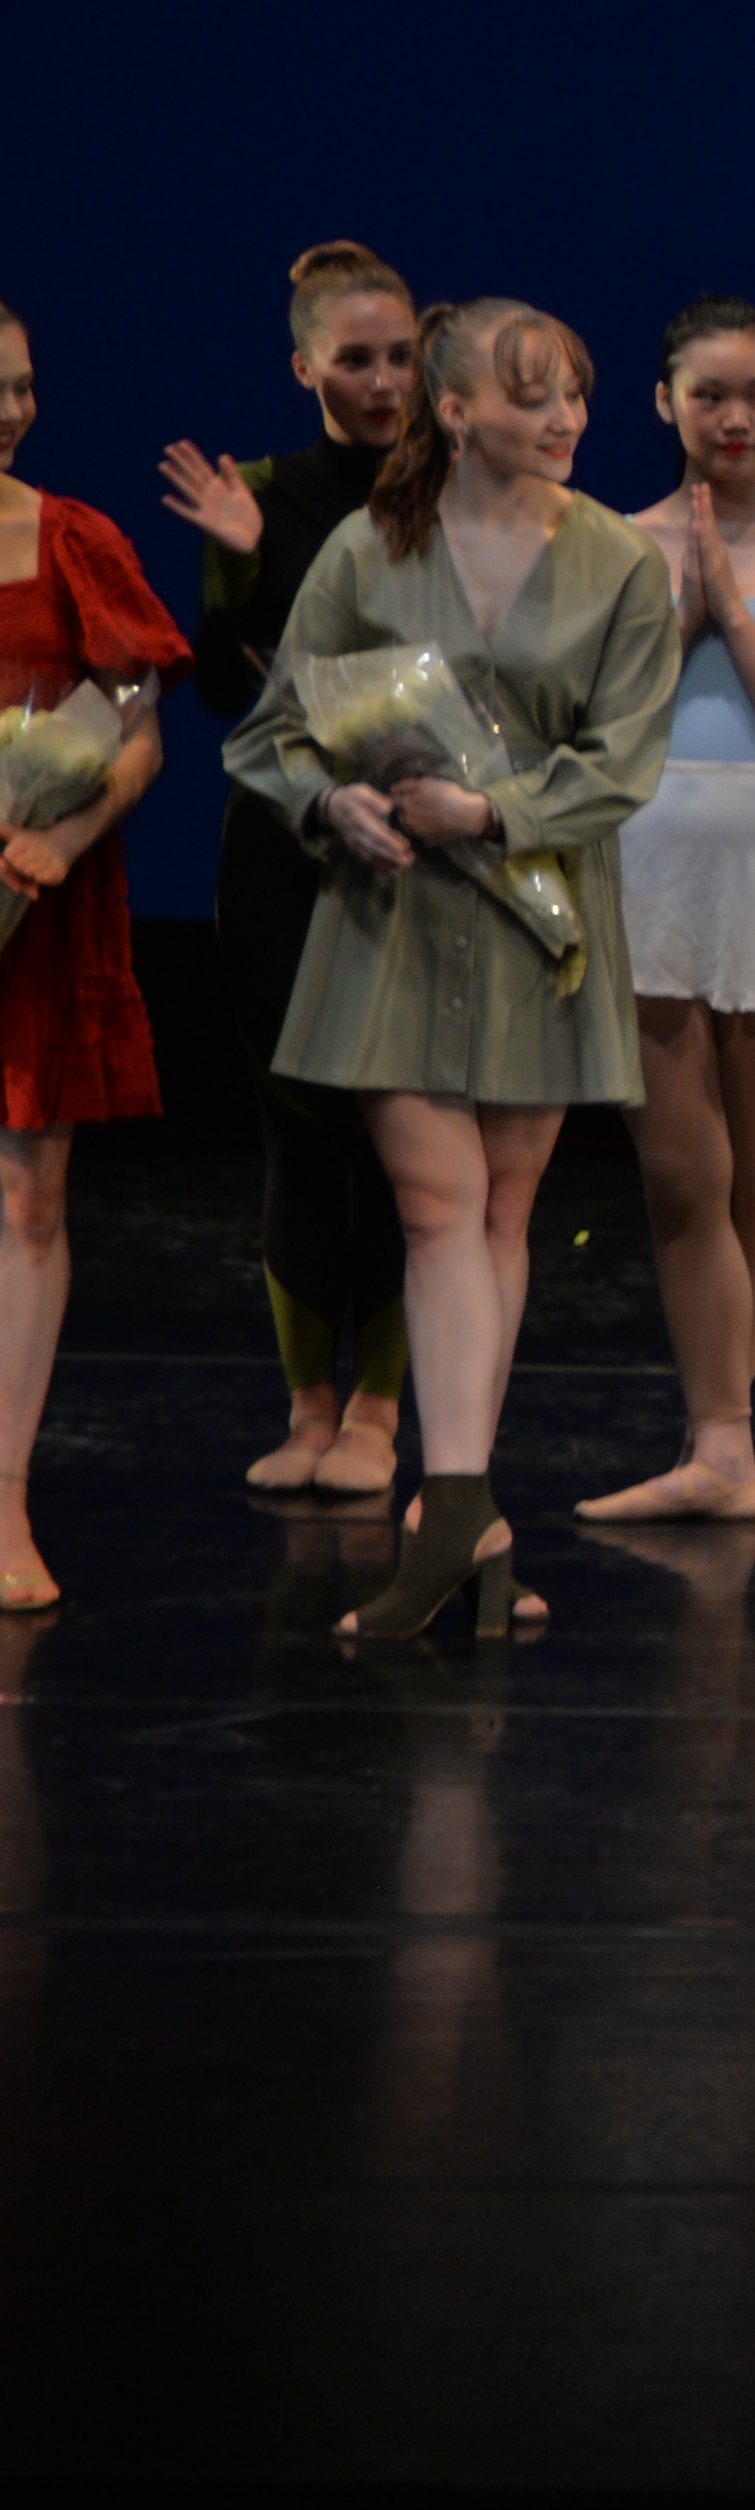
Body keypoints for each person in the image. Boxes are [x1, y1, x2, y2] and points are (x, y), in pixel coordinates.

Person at [223, 300, 681, 1640]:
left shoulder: (617, 560)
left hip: (539, 918)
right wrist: (333, 804)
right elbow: (275, 730)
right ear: (458, 411)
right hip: (400, 921)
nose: (568, 418)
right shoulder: (370, 547)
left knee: (499, 1216)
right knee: (437, 1208)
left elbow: (622, 760)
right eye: (535, 397)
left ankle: (459, 1514)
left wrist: (492, 811)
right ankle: (459, 1519)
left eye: (577, 393)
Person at [578, 299, 755, 1525]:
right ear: (664, 403)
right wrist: (680, 611)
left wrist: (733, 614)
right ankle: (719, 1440)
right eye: (709, 396)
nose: (735, 418)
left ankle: (724, 1439)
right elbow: (596, 733)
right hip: (646, 866)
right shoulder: (606, 541)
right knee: (683, 1174)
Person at [157, 242, 421, 1494]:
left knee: (405, 1131)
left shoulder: (451, 489)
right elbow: (226, 690)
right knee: (300, 1130)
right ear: (306, 366)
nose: (384, 382)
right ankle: (309, 1406)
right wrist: (243, 563)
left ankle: (380, 1408)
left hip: (415, 841)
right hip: (285, 846)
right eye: (356, 359)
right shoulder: (257, 491)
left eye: (402, 357)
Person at [0, 303, 194, 1613]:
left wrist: (61, 836)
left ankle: (5, 1499)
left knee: (29, 1200)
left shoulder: (75, 540)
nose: (9, 412)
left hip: (35, 902)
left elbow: (137, 734)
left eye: (20, 386)